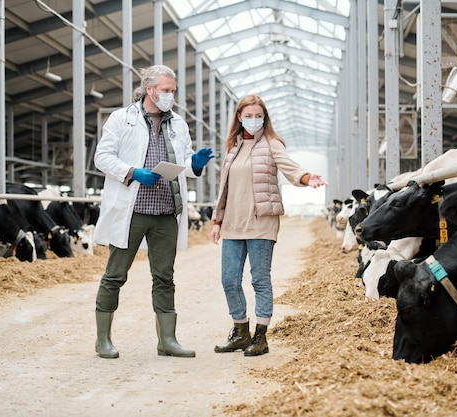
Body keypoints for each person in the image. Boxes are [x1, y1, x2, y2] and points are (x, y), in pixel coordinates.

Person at [92, 64, 214, 359]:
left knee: (164, 277)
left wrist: (195, 163)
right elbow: (102, 157)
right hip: (132, 211)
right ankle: (103, 340)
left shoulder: (179, 124)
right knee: (115, 274)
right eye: (166, 90)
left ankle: (167, 340)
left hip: (165, 211)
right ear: (150, 90)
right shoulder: (122, 119)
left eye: (173, 90)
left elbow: (184, 161)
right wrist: (133, 172)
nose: (171, 95)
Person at [210, 94, 327, 356]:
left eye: (258, 116)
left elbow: (290, 168)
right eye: (248, 116)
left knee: (260, 279)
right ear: (239, 117)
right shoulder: (233, 148)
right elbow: (224, 190)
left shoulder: (272, 144)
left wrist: (307, 178)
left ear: (265, 117)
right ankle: (241, 331)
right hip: (232, 223)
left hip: (261, 222)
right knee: (229, 280)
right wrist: (217, 220)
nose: (253, 120)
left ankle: (260, 337)